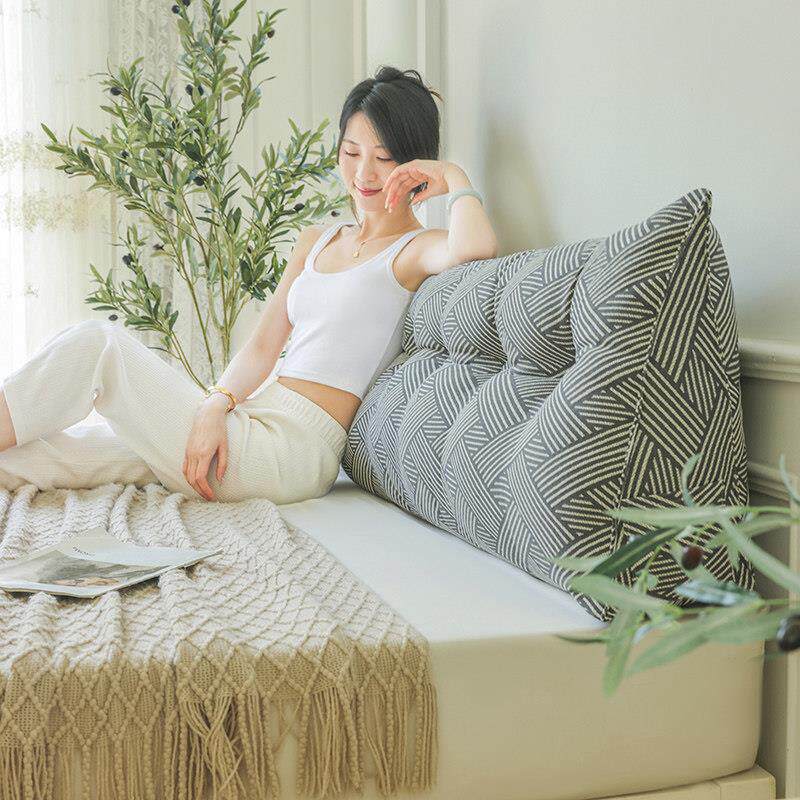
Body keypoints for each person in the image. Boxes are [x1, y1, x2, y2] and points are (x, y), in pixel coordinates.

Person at [0, 66, 498, 505]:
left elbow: (475, 249)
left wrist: (453, 176)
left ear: (415, 165)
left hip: (295, 449)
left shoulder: (414, 248)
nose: (364, 173)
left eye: (384, 158)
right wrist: (215, 404)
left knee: (98, 345)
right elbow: (262, 347)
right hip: (255, 415)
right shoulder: (317, 240)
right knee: (57, 455)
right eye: (351, 152)